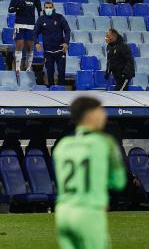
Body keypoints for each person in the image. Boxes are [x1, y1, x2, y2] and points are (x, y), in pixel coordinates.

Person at [53, 96, 127, 249]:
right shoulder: (105, 142)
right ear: (90, 115)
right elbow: (118, 181)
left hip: (63, 212)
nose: (104, 115)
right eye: (101, 111)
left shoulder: (62, 145)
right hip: (88, 211)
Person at [8, 0, 42, 75]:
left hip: (31, 25)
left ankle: (28, 68)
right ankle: (18, 68)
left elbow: (39, 9)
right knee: (19, 45)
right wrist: (18, 7)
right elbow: (10, 9)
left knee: (30, 47)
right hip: (19, 24)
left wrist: (41, 20)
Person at [34, 1, 71, 87]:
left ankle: (61, 89)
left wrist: (66, 42)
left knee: (61, 71)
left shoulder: (60, 17)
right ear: (44, 9)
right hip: (48, 51)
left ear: (53, 8)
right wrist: (36, 43)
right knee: (50, 71)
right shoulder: (41, 19)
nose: (48, 9)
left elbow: (67, 31)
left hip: (60, 50)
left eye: (50, 7)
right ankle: (51, 89)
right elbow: (35, 33)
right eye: (46, 7)